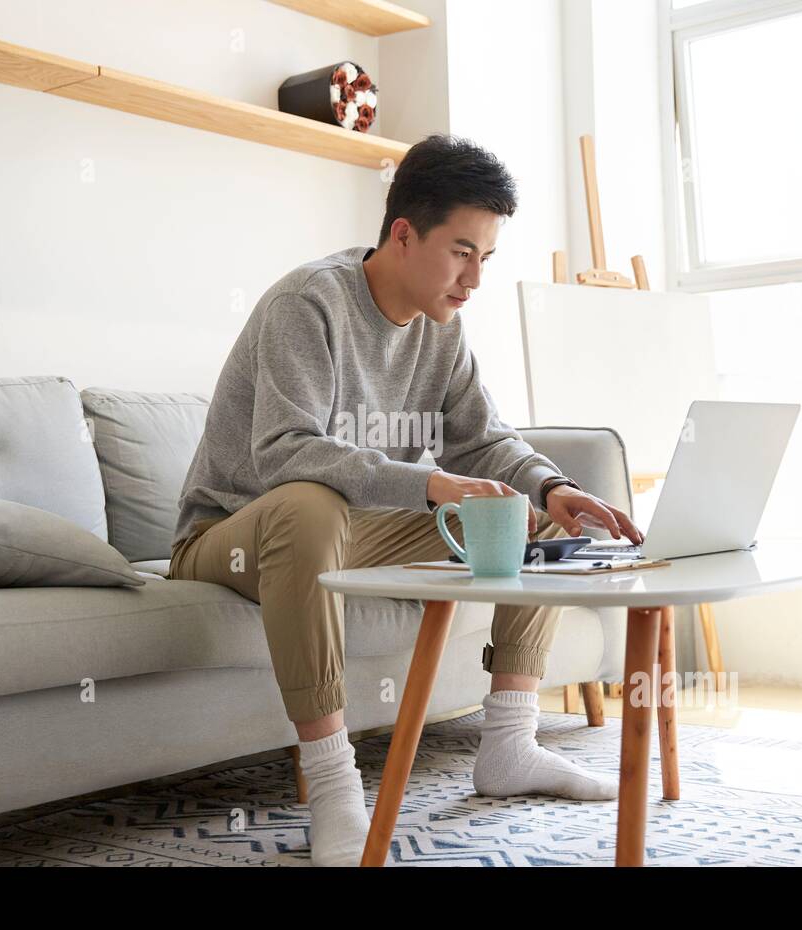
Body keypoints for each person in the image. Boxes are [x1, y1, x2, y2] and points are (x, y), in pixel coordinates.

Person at [167, 134, 643, 866]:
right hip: (232, 535)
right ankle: (333, 789)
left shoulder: (443, 329)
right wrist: (427, 484)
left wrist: (554, 487)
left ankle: (510, 743)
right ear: (402, 234)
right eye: (461, 252)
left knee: (528, 517)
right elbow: (286, 452)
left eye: (486, 258)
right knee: (308, 504)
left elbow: (485, 441)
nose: (474, 279)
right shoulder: (310, 303)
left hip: (351, 529)